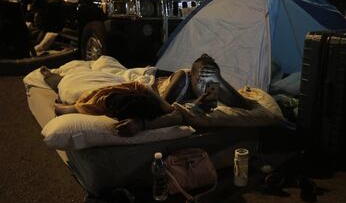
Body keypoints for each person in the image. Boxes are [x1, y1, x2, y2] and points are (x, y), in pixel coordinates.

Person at [44, 54, 251, 136]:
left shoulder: (211, 84)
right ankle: (55, 78)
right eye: (203, 81)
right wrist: (140, 123)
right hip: (151, 84)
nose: (208, 86)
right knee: (93, 87)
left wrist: (220, 84)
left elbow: (245, 105)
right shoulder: (183, 79)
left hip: (154, 83)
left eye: (212, 80)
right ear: (193, 75)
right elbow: (164, 110)